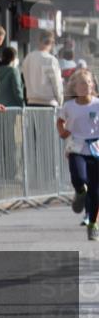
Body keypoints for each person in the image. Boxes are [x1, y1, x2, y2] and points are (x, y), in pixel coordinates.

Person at [56, 69, 99, 241]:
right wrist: (62, 132)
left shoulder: (97, 104)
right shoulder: (69, 106)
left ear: (93, 85)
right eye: (82, 83)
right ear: (75, 87)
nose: (86, 86)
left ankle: (92, 225)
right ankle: (80, 192)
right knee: (79, 177)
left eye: (88, 83)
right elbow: (60, 121)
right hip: (76, 147)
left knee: (96, 192)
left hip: (96, 148)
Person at [22, 30, 63, 108]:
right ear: (52, 43)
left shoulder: (28, 58)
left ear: (39, 40)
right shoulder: (51, 60)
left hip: (31, 102)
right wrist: (60, 101)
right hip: (49, 103)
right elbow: (56, 83)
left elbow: (24, 78)